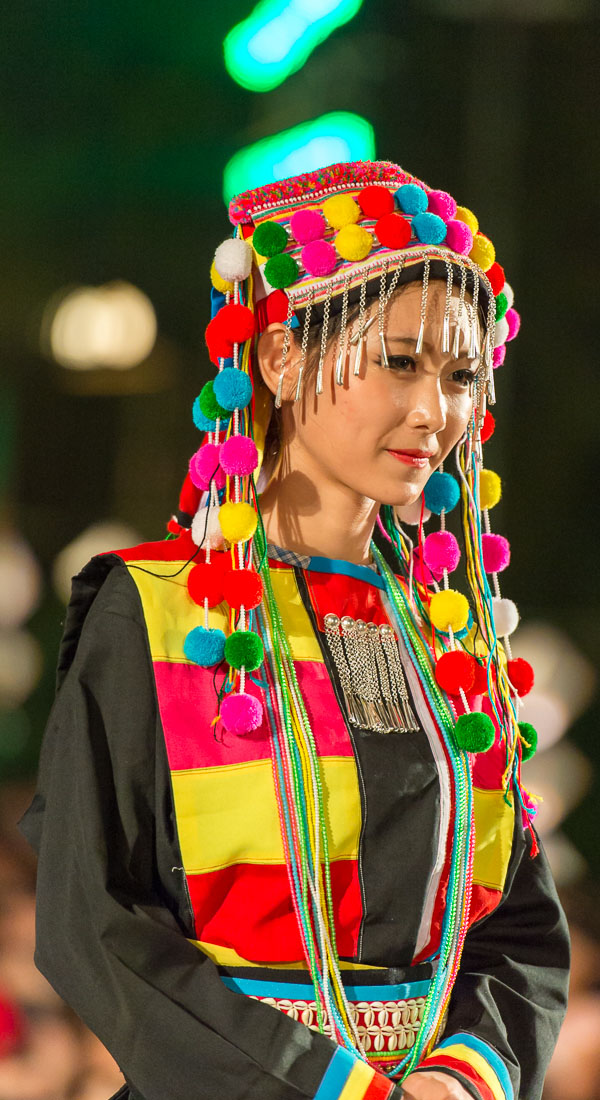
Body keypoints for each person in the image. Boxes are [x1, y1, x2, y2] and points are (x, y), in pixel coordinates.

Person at [19, 160, 569, 1100]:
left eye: (462, 373)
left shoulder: (449, 635)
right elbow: (93, 918)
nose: (435, 412)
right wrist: (321, 1086)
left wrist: (461, 1079)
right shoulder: (156, 609)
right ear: (279, 358)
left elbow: (517, 926)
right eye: (399, 361)